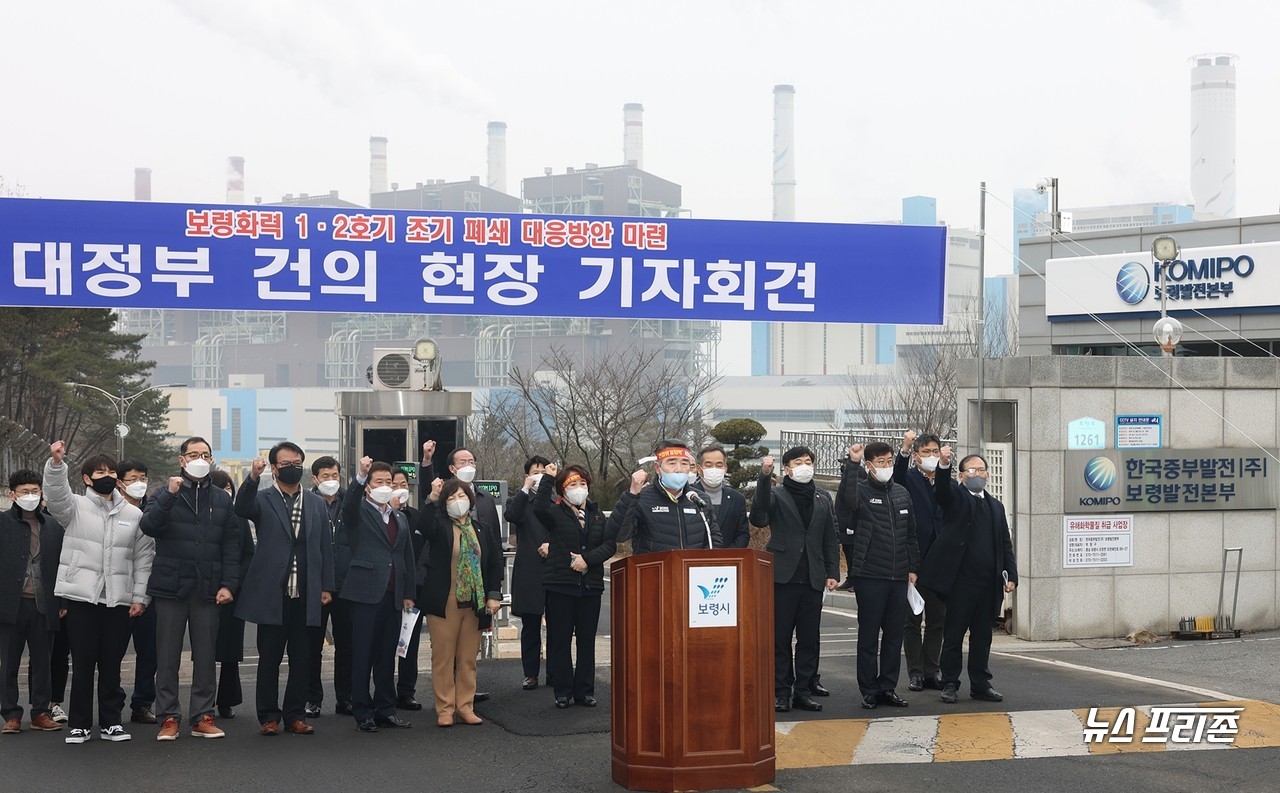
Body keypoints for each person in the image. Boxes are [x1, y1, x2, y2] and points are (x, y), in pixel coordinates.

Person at [43, 440, 154, 744]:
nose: (106, 475)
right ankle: (79, 724)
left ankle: (111, 722)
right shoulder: (75, 507)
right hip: (82, 599)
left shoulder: (134, 515)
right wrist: (55, 465)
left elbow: (144, 559)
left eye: (111, 471)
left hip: (118, 600)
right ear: (87, 478)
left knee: (111, 663)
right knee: (82, 662)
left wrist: (139, 597)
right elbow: (54, 496)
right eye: (99, 471)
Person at [140, 437, 242, 741]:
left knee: (206, 655)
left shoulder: (222, 499)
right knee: (167, 655)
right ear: (182, 460)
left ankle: (202, 716)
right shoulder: (164, 492)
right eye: (194, 454)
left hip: (208, 586)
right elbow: (149, 526)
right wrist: (170, 495)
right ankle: (168, 717)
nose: (200, 459)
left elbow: (232, 545)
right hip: (171, 585)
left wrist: (229, 584)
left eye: (206, 454)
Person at [234, 442, 334, 736]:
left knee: (303, 657)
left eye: (298, 462)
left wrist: (327, 585)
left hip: (306, 592)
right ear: (275, 468)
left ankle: (295, 715)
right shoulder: (263, 499)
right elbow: (241, 507)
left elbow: (324, 548)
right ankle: (268, 716)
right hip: (273, 593)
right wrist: (252, 478)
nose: (294, 467)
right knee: (270, 658)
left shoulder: (315, 503)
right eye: (287, 463)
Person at [920, 448, 1017, 704]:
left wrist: (1011, 575)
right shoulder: (957, 498)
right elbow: (941, 491)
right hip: (960, 583)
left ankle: (981, 683)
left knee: (983, 636)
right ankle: (950, 682)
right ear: (962, 476)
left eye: (981, 470)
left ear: (987, 474)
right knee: (953, 635)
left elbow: (1005, 543)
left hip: (989, 583)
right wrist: (943, 465)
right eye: (971, 470)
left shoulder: (996, 506)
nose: (977, 474)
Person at [750, 448, 838, 713]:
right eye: (798, 462)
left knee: (809, 639)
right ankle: (780, 691)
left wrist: (833, 572)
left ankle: (803, 690)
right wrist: (764, 477)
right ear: (786, 469)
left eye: (808, 462)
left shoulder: (823, 497)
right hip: (782, 577)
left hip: (813, 577)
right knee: (780, 638)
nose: (804, 466)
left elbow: (829, 538)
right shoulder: (777, 494)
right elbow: (759, 515)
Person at [415, 478, 503, 727]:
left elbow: (494, 562)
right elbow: (423, 526)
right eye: (451, 498)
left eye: (462, 496)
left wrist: (494, 594)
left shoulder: (480, 528)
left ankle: (465, 706)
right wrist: (432, 498)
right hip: (445, 601)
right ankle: (444, 708)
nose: (457, 502)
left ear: (470, 499)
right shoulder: (440, 525)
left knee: (467, 658)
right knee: (442, 657)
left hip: (475, 603)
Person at [838, 441, 919, 710]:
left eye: (889, 460)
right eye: (881, 462)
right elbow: (846, 501)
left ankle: (888, 686)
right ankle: (869, 689)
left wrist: (912, 567)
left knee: (894, 636)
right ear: (869, 466)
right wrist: (853, 463)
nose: (886, 466)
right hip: (869, 575)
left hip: (898, 577)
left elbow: (911, 535)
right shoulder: (859, 492)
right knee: (869, 636)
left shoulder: (901, 493)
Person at [341, 458, 417, 732]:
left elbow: (406, 556)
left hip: (394, 596)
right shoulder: (358, 510)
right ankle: (363, 711)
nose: (385, 487)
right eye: (379, 482)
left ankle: (386, 708)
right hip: (365, 594)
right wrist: (359, 475)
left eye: (389, 482)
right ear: (368, 487)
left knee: (387, 655)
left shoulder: (399, 517)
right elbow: (347, 506)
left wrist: (409, 593)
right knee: (363, 655)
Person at [533, 464, 614, 709]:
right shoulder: (555, 512)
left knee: (587, 641)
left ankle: (585, 691)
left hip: (590, 587)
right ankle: (562, 691)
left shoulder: (597, 515)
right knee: (560, 640)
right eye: (572, 485)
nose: (579, 490)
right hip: (560, 586)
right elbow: (538, 507)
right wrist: (548, 477)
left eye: (582, 484)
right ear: (562, 491)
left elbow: (609, 545)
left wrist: (586, 559)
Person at [1, 469, 65, 734]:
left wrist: (61, 601)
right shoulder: (3, 523)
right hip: (10, 604)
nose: (30, 496)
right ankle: (11, 715)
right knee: (9, 662)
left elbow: (62, 565)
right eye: (25, 491)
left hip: (44, 603)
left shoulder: (53, 525)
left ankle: (40, 711)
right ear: (11, 494)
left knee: (42, 662)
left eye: (35, 491)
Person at [893, 431, 947, 692]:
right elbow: (897, 475)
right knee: (912, 621)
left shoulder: (946, 482)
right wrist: (903, 448)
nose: (932, 457)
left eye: (935, 452)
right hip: (914, 562)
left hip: (941, 563)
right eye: (926, 452)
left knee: (937, 621)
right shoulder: (909, 479)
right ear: (916, 457)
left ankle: (931, 671)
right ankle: (915, 672)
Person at [610, 440, 722, 552]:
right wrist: (631, 495)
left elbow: (714, 538)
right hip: (655, 567)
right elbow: (619, 535)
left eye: (684, 463)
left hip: (692, 567)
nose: (679, 469)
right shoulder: (641, 498)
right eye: (672, 463)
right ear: (658, 468)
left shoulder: (699, 499)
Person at [306, 456, 352, 717]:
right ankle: (313, 699)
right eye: (325, 476)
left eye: (335, 475)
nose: (331, 481)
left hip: (345, 583)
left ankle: (345, 698)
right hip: (316, 582)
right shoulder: (307, 502)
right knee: (312, 645)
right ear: (315, 479)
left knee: (347, 645)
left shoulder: (350, 501)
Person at [116, 460, 159, 725]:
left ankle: (142, 704)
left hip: (150, 594)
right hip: (118, 595)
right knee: (113, 654)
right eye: (133, 478)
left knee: (149, 654)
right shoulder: (111, 511)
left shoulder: (154, 512)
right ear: (120, 482)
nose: (139, 483)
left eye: (143, 477)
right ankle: (113, 704)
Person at [210, 470, 255, 720]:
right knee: (205, 651)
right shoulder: (201, 516)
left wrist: (234, 581)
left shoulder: (239, 518)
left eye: (229, 487)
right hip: (206, 591)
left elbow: (248, 552)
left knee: (230, 653)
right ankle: (204, 699)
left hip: (233, 592)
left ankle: (227, 700)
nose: (226, 491)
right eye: (221, 487)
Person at [506, 455, 551, 691]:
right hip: (529, 570)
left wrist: (552, 544)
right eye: (536, 470)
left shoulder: (558, 500)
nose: (541, 473)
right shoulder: (521, 500)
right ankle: (530, 673)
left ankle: (555, 671)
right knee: (531, 625)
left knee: (558, 624)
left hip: (555, 568)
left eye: (545, 470)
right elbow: (511, 516)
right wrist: (525, 489)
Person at [391, 467, 425, 711]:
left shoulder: (416, 516)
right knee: (382, 644)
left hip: (412, 590)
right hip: (386, 588)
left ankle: (406, 692)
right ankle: (380, 693)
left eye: (403, 484)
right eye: (394, 484)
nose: (399, 488)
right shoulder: (377, 515)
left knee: (409, 644)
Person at [693, 445, 750, 548]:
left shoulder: (737, 498)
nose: (714, 469)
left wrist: (726, 557)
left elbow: (743, 534)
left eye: (719, 465)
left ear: (725, 468)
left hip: (729, 560)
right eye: (708, 465)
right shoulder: (689, 495)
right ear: (699, 468)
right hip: (694, 558)